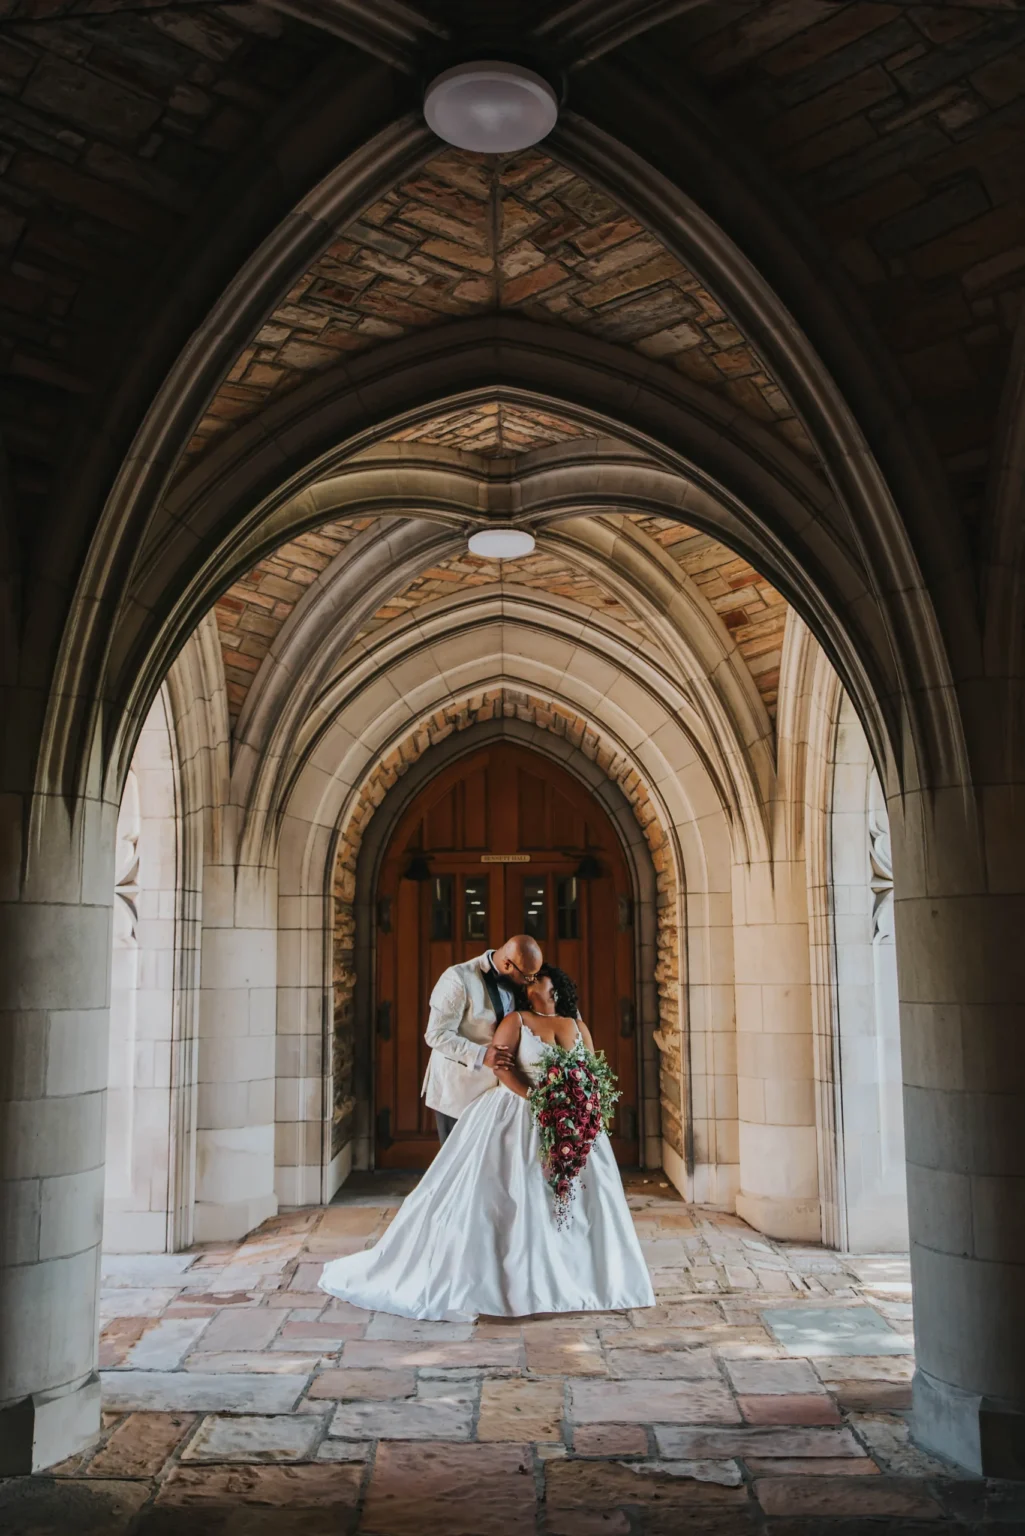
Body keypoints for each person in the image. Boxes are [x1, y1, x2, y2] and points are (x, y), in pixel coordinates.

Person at [319, 964, 654, 1320]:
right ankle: (518, 1285)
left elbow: (591, 1071)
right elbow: (503, 1067)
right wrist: (537, 1099)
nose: (533, 981)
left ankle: (582, 1278)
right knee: (515, 1195)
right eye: (530, 979)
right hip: (518, 1113)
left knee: (579, 1197)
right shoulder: (516, 1022)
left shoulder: (577, 1026)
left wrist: (581, 1106)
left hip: (571, 1121)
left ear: (557, 986)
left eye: (540, 976)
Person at [421, 933, 542, 1144]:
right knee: (456, 1167)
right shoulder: (458, 978)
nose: (530, 982)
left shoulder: (515, 981)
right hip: (458, 1093)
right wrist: (483, 1055)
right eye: (527, 977)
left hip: (497, 1096)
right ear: (506, 964)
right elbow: (436, 1034)